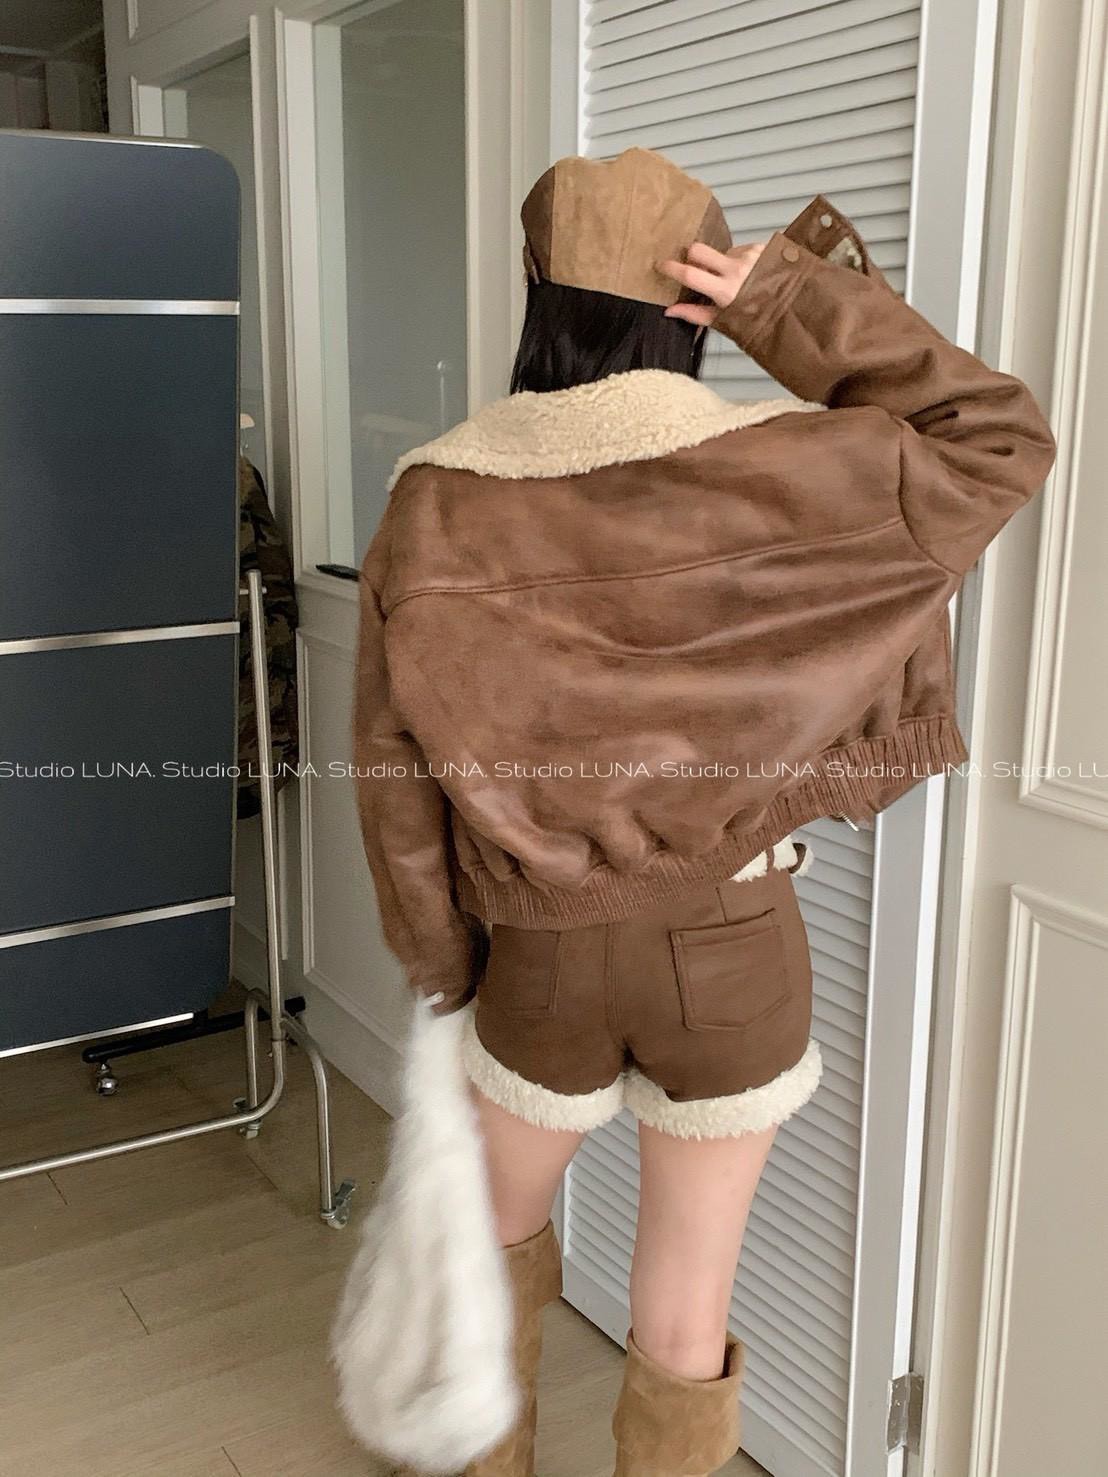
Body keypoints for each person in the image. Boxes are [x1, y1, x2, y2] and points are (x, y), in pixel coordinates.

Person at [351, 147, 1055, 1477]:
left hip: (543, 949)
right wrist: (789, 299)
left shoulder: (435, 498)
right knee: (686, 1305)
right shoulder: (796, 469)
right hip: (737, 943)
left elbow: (393, 770)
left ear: (536, 290)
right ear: (696, 299)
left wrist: (445, 964)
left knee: (488, 1247)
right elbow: (999, 437)